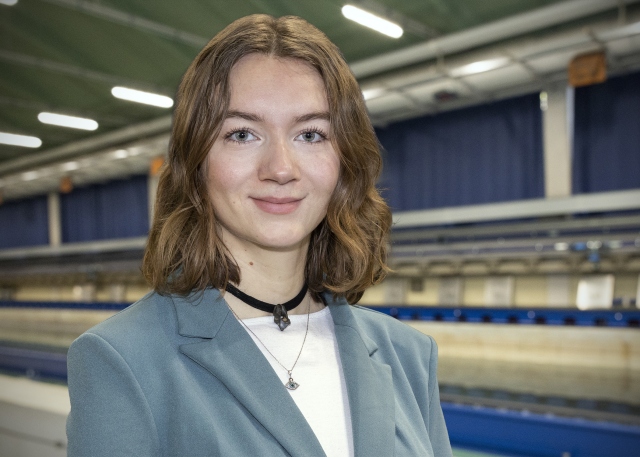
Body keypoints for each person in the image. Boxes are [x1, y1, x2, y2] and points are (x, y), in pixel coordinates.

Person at [66, 14, 452, 457]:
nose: (281, 169)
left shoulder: (407, 356)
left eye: (311, 134)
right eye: (243, 134)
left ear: (344, 160)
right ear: (196, 162)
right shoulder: (122, 361)